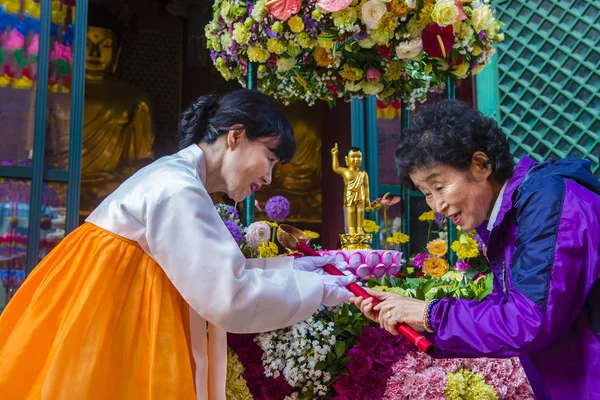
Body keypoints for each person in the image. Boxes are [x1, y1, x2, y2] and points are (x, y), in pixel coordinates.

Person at [0, 89, 354, 399]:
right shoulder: (179, 188)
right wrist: (316, 289)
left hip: (108, 319)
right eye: (271, 159)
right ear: (236, 137)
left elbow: (215, 273)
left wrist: (294, 269)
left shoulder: (178, 178)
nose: (269, 176)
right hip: (111, 326)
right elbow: (228, 296)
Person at [354, 100, 600, 399]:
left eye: (440, 186)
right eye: (427, 194)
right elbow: (505, 319)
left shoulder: (550, 203)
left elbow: (529, 321)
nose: (438, 206)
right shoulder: (509, 217)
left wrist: (430, 314)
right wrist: (411, 316)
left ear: (481, 164)